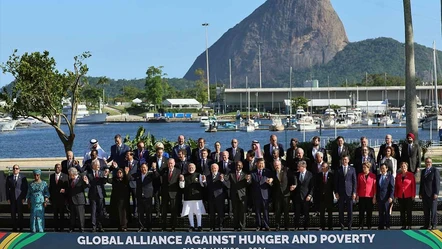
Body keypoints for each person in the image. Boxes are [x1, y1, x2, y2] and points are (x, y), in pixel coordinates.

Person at [132, 163, 159, 232]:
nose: (143, 169)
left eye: (144, 167)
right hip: (140, 196)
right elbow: (130, 177)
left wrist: (154, 169)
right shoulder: (138, 175)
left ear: (147, 168)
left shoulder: (150, 174)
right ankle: (141, 226)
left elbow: (156, 176)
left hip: (148, 196)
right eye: (142, 167)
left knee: (148, 212)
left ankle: (149, 227)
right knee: (140, 212)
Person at [224, 161, 251, 231]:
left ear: (242, 165)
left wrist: (248, 180)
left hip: (242, 196)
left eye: (239, 165)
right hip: (234, 195)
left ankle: (242, 226)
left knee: (242, 212)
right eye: (237, 165)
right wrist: (222, 178)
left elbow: (249, 184)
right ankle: (235, 226)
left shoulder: (245, 174)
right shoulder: (231, 174)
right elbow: (226, 181)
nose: (238, 167)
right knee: (235, 212)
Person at [180, 163, 207, 232]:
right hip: (188, 197)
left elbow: (203, 185)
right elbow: (182, 186)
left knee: (198, 212)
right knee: (190, 212)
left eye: (192, 167)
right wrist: (182, 180)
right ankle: (191, 226)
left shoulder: (199, 175)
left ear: (195, 168)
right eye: (189, 167)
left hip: (197, 196)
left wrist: (204, 180)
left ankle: (199, 226)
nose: (191, 168)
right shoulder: (184, 176)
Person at [272, 160, 295, 231]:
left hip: (286, 194)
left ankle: (286, 226)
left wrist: (293, 185)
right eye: (275, 165)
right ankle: (277, 225)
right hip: (277, 195)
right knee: (278, 211)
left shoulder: (286, 170)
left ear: (280, 164)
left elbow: (292, 178)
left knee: (286, 211)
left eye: (277, 165)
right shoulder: (273, 173)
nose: (276, 166)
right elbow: (273, 185)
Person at [334, 155, 356, 230]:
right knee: (341, 210)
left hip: (349, 192)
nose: (344, 161)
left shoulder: (352, 169)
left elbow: (354, 182)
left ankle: (349, 225)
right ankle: (342, 225)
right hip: (340, 193)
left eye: (346, 159)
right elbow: (335, 182)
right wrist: (336, 192)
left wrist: (354, 192)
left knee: (350, 210)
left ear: (348, 160)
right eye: (343, 159)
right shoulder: (338, 169)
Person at [86, 159, 108, 232]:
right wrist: (86, 182)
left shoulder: (101, 173)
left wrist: (105, 176)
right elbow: (89, 186)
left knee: (101, 211)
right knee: (93, 211)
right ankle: (94, 226)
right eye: (97, 164)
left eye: (99, 164)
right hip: (92, 195)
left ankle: (100, 226)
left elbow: (104, 182)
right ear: (93, 166)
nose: (99, 166)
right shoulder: (89, 174)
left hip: (100, 194)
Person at [205, 163, 228, 231]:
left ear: (217, 169)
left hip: (219, 197)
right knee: (212, 213)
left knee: (220, 213)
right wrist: (204, 182)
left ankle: (220, 226)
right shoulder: (208, 176)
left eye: (215, 168)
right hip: (211, 198)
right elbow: (207, 187)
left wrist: (222, 180)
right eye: (212, 168)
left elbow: (227, 185)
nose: (213, 169)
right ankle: (212, 227)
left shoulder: (221, 175)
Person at [250, 158, 272, 231]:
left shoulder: (268, 172)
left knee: (265, 211)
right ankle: (258, 225)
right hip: (256, 195)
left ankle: (266, 225)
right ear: (257, 164)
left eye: (263, 163)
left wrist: (270, 182)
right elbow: (250, 184)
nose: (261, 165)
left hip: (265, 195)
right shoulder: (252, 172)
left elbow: (272, 184)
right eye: (260, 163)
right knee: (257, 211)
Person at [419, 157, 440, 229]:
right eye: (427, 162)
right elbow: (422, 183)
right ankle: (426, 225)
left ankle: (434, 225)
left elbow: (437, 183)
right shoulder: (423, 171)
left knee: (433, 211)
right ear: (425, 163)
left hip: (432, 194)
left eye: (429, 162)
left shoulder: (435, 171)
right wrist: (420, 193)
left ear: (431, 163)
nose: (428, 163)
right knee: (426, 211)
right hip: (424, 194)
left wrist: (436, 193)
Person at [160, 158, 180, 232]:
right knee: (163, 211)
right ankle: (163, 226)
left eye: (171, 163)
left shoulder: (178, 171)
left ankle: (173, 226)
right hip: (165, 193)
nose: (170, 165)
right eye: (169, 163)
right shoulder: (164, 170)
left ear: (174, 163)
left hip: (174, 193)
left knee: (173, 210)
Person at [107, 167, 130, 231]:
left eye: (120, 172)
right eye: (118, 173)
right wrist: (108, 173)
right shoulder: (115, 180)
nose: (119, 174)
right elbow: (108, 180)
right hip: (116, 198)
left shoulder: (125, 180)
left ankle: (124, 226)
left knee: (123, 213)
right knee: (117, 212)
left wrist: (127, 173)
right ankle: (118, 225)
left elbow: (128, 179)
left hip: (123, 199)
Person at [6, 164, 28, 232]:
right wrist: (8, 198)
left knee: (20, 213)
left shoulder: (23, 178)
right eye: (14, 168)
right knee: (13, 213)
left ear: (19, 170)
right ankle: (14, 227)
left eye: (16, 168)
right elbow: (7, 188)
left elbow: (25, 188)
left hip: (20, 198)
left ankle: (21, 227)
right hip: (12, 198)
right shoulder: (9, 178)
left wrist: (24, 197)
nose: (15, 170)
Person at [67, 167, 89, 233]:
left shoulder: (81, 179)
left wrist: (86, 182)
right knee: (72, 216)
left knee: (80, 216)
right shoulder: (70, 180)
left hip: (79, 200)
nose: (69, 176)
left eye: (70, 174)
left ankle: (81, 228)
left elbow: (86, 186)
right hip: (72, 200)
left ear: (73, 174)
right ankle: (72, 228)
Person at [293, 160, 314, 230]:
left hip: (306, 196)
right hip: (297, 196)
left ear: (303, 167)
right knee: (297, 212)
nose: (298, 168)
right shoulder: (296, 174)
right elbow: (295, 183)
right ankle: (296, 226)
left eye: (299, 166)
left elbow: (312, 186)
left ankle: (306, 226)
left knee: (306, 212)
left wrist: (310, 195)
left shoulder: (310, 175)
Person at [394, 162, 416, 230]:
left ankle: (409, 225)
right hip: (400, 196)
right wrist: (396, 195)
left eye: (405, 167)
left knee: (409, 211)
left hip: (408, 196)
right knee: (402, 211)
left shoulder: (411, 175)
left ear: (407, 167)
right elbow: (396, 186)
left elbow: (413, 186)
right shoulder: (398, 176)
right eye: (402, 166)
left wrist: (413, 195)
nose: (403, 168)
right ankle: (403, 225)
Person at [356, 162, 376, 230]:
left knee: (369, 212)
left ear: (368, 168)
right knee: (361, 211)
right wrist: (357, 195)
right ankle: (361, 225)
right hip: (361, 195)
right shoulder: (360, 175)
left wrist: (374, 196)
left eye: (365, 167)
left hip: (370, 196)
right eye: (363, 167)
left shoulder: (373, 176)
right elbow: (358, 186)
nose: (363, 169)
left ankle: (369, 225)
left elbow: (374, 187)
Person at [49, 163, 68, 232]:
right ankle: (55, 228)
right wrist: (50, 198)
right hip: (54, 199)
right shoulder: (51, 176)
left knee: (62, 214)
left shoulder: (65, 176)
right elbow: (50, 187)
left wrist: (65, 191)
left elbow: (67, 187)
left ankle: (62, 228)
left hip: (62, 199)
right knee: (55, 214)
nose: (57, 168)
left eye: (59, 167)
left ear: (61, 168)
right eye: (56, 167)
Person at [149, 147, 168, 217]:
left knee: (164, 198)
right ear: (156, 153)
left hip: (163, 182)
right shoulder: (152, 160)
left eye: (161, 152)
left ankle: (163, 212)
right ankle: (157, 212)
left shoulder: (166, 160)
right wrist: (153, 168)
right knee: (156, 198)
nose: (160, 154)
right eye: (158, 152)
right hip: (155, 181)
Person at [315, 162, 334, 230]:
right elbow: (316, 186)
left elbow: (333, 186)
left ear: (328, 168)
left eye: (325, 167)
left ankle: (330, 226)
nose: (323, 168)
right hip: (321, 197)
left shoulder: (331, 175)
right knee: (322, 213)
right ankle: (322, 226)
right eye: (322, 166)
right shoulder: (318, 175)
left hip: (329, 196)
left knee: (330, 213)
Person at [376, 163, 394, 230]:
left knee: (387, 212)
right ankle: (381, 226)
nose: (382, 170)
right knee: (380, 213)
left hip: (387, 198)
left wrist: (391, 197)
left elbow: (392, 188)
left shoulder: (390, 177)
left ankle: (387, 226)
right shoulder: (378, 177)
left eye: (383, 168)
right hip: (380, 198)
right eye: (381, 168)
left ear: (386, 169)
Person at [125, 151, 139, 219]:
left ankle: (135, 213)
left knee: (135, 199)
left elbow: (137, 173)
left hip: (134, 184)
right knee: (126, 200)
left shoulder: (136, 163)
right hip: (126, 184)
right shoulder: (125, 163)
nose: (127, 156)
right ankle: (128, 214)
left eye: (128, 155)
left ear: (131, 155)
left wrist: (129, 176)